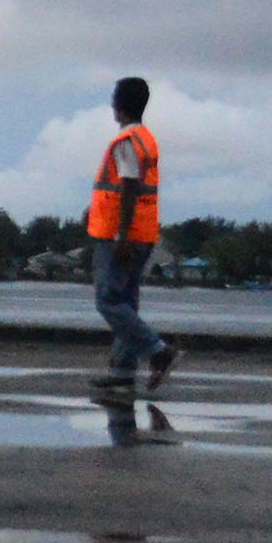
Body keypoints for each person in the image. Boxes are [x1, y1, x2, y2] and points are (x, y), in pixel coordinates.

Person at [85, 76, 174, 392]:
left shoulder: (126, 142)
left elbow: (128, 185)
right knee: (126, 301)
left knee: (108, 301)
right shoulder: (145, 138)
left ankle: (157, 351)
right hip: (144, 233)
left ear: (117, 104)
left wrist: (121, 235)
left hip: (120, 236)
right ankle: (122, 374)